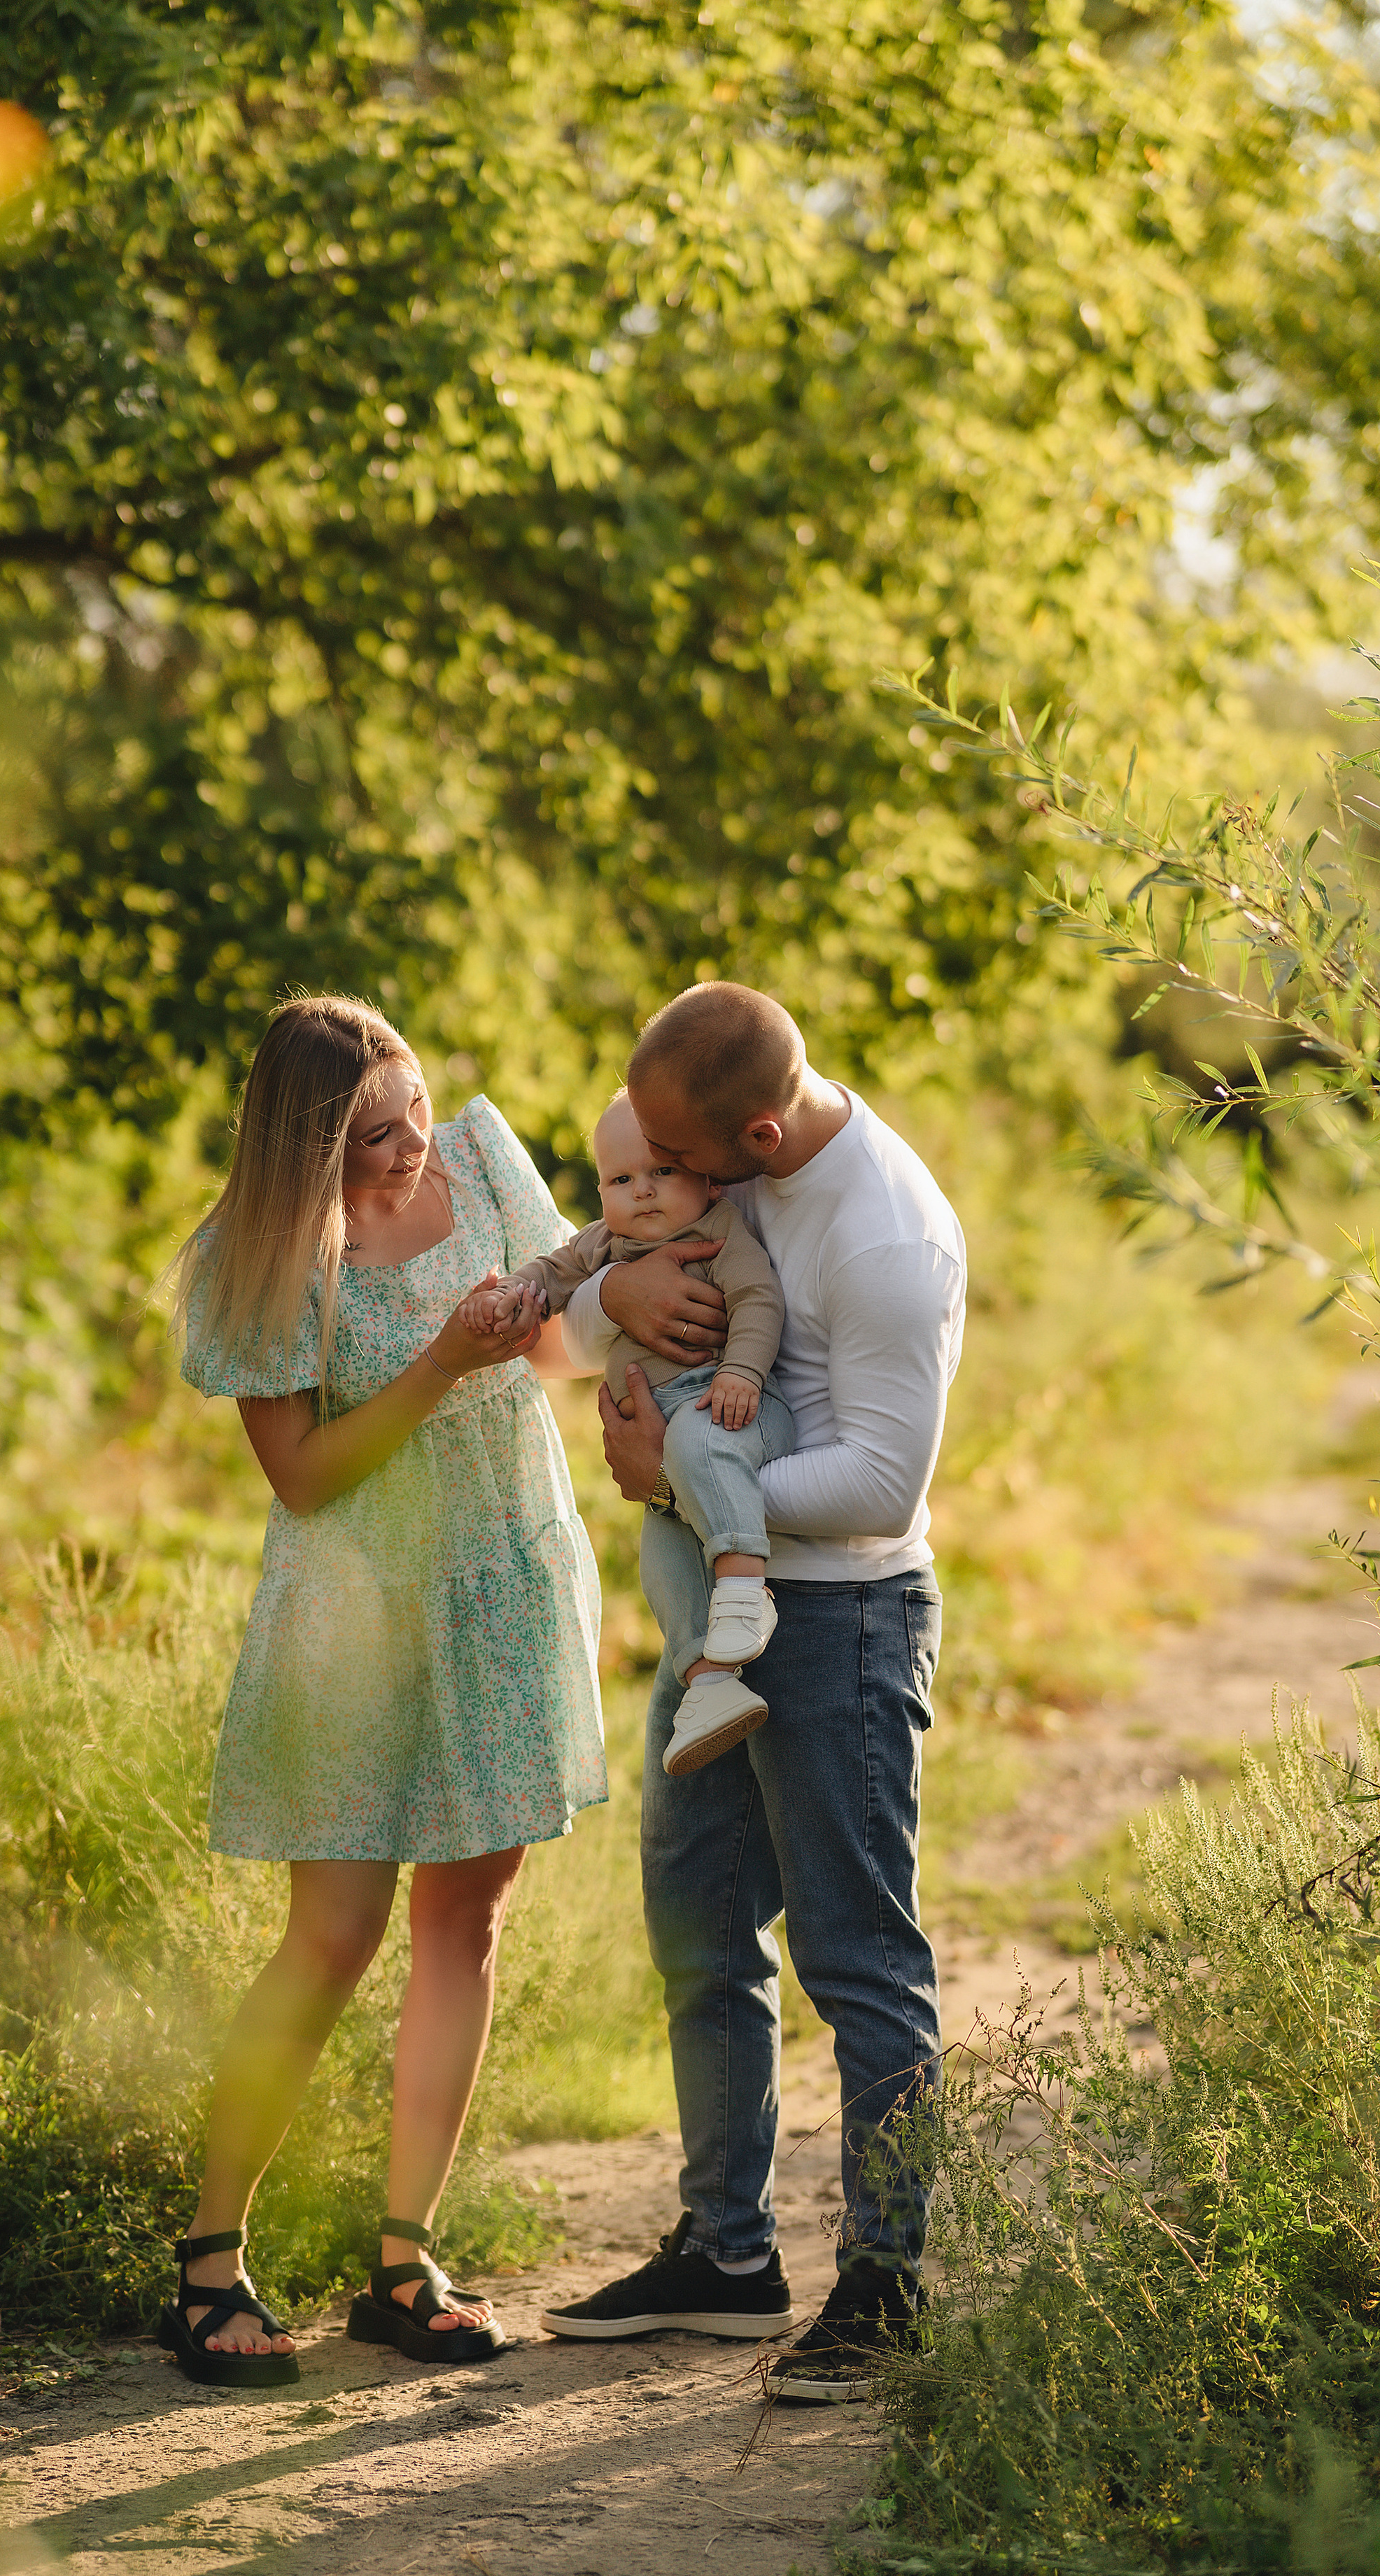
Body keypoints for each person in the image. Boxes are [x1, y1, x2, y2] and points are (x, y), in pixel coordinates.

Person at [163, 996, 605, 2386]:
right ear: (305, 1151)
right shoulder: (261, 1254)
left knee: (463, 1918)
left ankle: (404, 2259)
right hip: (355, 1616)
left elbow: (567, 1352)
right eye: (369, 1135)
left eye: (411, 1107)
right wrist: (440, 1360)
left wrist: (562, 1303)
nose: (407, 1144)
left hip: (501, 1583)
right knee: (330, 1935)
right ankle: (207, 2261)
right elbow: (301, 1476)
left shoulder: (476, 1158)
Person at [540, 983, 965, 2404]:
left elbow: (875, 1485)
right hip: (710, 1619)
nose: (665, 1182)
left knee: (858, 1956)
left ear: (761, 1134)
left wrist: (673, 1476)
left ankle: (884, 2283)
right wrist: (611, 1287)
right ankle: (725, 2252)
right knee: (699, 1921)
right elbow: (604, 1278)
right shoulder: (742, 1142)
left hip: (838, 1624)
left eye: (683, 1161)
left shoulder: (883, 1235)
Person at [460, 1087, 795, 1778]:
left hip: (725, 1409)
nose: (641, 1192)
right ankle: (709, 1687)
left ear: (703, 1174)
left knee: (701, 1448)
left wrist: (741, 1374)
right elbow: (551, 1275)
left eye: (660, 1172)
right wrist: (510, 1297)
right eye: (620, 1180)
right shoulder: (607, 1243)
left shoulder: (719, 1232)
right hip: (664, 1438)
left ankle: (743, 1587)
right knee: (662, 1564)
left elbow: (757, 1299)